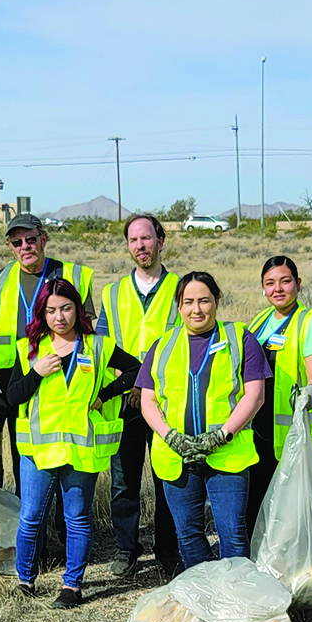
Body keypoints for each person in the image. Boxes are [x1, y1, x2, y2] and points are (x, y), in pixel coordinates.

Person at [3, 279, 137, 608]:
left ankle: (72, 586)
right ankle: (25, 581)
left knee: (77, 517)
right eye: (51, 310)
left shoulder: (98, 347)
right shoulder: (29, 349)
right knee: (31, 516)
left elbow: (136, 369)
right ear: (42, 314)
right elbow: (12, 396)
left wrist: (105, 394)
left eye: (66, 308)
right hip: (39, 449)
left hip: (80, 448)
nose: (59, 317)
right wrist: (36, 373)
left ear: (77, 309)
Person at [136, 272, 268, 571]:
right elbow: (148, 400)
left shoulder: (239, 337)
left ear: (217, 301)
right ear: (178, 306)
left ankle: (236, 598)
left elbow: (255, 395)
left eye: (204, 300)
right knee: (188, 535)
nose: (197, 309)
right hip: (176, 455)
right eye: (188, 302)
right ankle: (206, 592)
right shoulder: (163, 344)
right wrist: (171, 437)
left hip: (226, 454)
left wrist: (221, 436)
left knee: (232, 534)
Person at [95, 213, 182, 578]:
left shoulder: (180, 287)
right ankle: (126, 548)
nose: (140, 246)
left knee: (168, 477)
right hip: (123, 402)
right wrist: (125, 386)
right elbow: (102, 346)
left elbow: (185, 344)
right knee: (123, 480)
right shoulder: (112, 293)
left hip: (164, 402)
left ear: (160, 241)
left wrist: (146, 387)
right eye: (133, 240)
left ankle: (168, 549)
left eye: (147, 239)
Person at [0, 213, 95, 488]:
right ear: (10, 247)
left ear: (43, 239)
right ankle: (32, 521)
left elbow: (88, 332)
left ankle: (64, 522)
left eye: (31, 239)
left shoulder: (71, 275)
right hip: (17, 377)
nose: (25, 246)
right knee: (24, 449)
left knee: (66, 449)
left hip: (65, 371)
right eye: (17, 242)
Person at [243, 255, 312, 530]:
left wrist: (311, 390)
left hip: (294, 431)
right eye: (270, 283)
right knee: (257, 503)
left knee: (290, 508)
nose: (278, 289)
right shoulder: (260, 321)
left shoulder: (310, 321)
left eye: (285, 281)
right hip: (259, 429)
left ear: (298, 283)